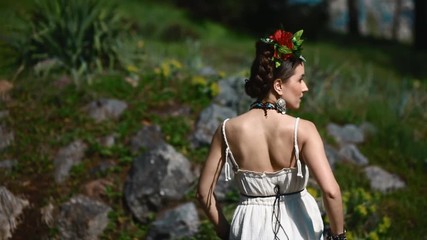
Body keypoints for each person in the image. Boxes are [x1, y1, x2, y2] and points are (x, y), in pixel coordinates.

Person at [196, 28, 346, 240]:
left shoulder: (227, 130)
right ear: (278, 85)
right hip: (299, 226)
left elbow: (203, 193)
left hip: (249, 229)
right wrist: (339, 236)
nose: (306, 87)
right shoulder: (302, 130)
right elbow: (331, 191)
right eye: (300, 80)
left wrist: (227, 233)